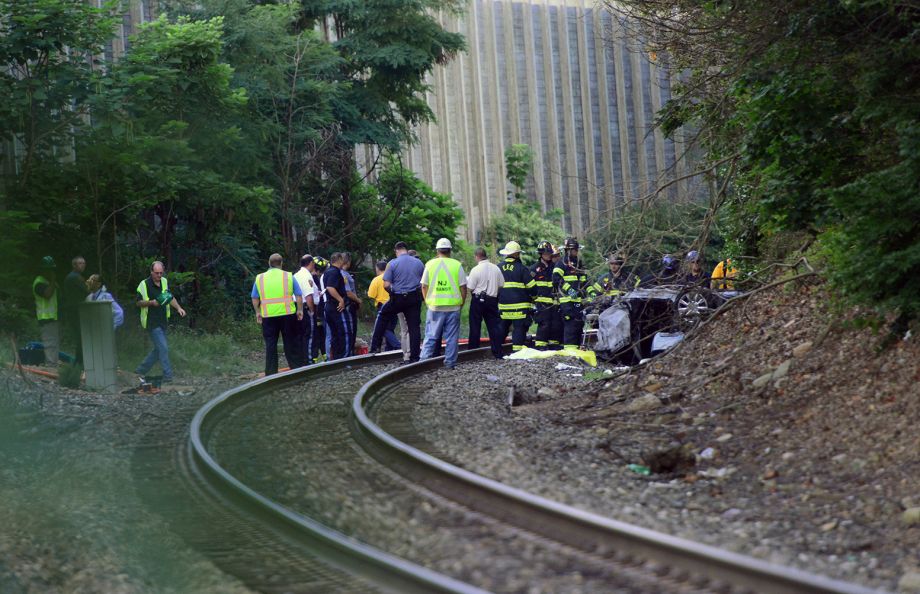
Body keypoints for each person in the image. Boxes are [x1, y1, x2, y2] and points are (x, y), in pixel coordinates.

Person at [369, 241, 425, 362]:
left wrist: (392, 293)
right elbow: (423, 283)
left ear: (396, 251)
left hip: (398, 297)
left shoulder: (392, 264)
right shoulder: (418, 263)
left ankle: (375, 347)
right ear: (406, 249)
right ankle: (415, 357)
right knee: (414, 327)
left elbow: (386, 284)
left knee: (383, 315)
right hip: (414, 298)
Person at [252, 253, 304, 375]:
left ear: (269, 263)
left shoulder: (260, 278)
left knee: (270, 345)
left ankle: (270, 373)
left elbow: (254, 297)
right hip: (288, 314)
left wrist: (257, 312)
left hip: (268, 316)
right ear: (281, 264)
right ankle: (297, 370)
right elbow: (298, 295)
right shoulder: (289, 276)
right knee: (290, 343)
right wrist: (300, 310)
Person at [136, 261, 187, 382]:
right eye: (157, 273)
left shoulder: (164, 281)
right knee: (163, 348)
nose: (159, 275)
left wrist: (179, 308)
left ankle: (140, 370)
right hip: (151, 322)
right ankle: (168, 375)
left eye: (161, 273)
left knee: (158, 349)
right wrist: (151, 303)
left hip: (163, 321)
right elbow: (138, 302)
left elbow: (169, 297)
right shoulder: (144, 284)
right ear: (151, 272)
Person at [420, 238, 467, 369]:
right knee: (452, 338)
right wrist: (461, 303)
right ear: (450, 250)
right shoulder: (457, 265)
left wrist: (427, 301)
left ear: (437, 250)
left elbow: (424, 286)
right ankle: (450, 364)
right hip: (453, 307)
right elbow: (463, 287)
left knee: (430, 336)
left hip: (434, 307)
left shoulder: (430, 264)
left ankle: (423, 363)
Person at [553, 237, 595, 350]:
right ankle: (570, 351)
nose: (576, 251)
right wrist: (569, 290)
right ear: (568, 250)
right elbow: (556, 279)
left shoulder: (579, 264)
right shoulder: (561, 263)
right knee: (570, 325)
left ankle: (576, 350)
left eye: (577, 249)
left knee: (578, 325)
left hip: (578, 301)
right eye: (574, 249)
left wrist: (591, 292)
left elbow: (585, 281)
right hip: (567, 301)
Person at [466, 247, 504, 359]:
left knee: (475, 326)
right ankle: (497, 352)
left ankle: (473, 352)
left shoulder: (475, 270)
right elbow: (501, 284)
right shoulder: (496, 268)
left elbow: (471, 287)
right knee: (494, 326)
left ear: (476, 256)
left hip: (478, 299)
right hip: (492, 300)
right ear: (485, 255)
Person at [498, 241, 536, 352]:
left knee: (502, 329)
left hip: (503, 306)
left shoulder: (498, 267)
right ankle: (517, 352)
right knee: (519, 329)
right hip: (520, 308)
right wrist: (534, 297)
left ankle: (497, 351)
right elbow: (532, 287)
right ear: (517, 254)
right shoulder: (522, 268)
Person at [322, 253, 352, 360]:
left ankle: (336, 358)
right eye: (342, 259)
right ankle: (345, 357)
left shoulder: (327, 272)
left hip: (329, 306)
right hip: (337, 306)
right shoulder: (335, 272)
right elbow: (330, 287)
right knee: (345, 331)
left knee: (335, 334)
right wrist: (341, 300)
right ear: (339, 259)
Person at [531, 241, 561, 350]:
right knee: (544, 324)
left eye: (549, 253)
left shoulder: (555, 267)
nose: (548, 255)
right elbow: (530, 287)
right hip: (541, 302)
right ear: (541, 254)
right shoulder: (534, 269)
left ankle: (554, 344)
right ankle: (540, 345)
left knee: (555, 324)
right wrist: (532, 304)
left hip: (555, 301)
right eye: (545, 253)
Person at [368, 260, 402, 351]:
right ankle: (389, 348)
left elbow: (371, 295)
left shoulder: (376, 279)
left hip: (382, 306)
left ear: (378, 269)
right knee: (390, 327)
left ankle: (397, 345)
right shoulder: (393, 277)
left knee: (383, 329)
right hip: (395, 304)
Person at [33, 256, 60, 366]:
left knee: (54, 344)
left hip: (53, 317)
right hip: (45, 318)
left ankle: (53, 364)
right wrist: (53, 280)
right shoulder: (39, 283)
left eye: (52, 269)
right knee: (50, 344)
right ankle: (50, 365)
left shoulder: (48, 282)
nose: (51, 271)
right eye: (49, 269)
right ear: (43, 270)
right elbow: (47, 295)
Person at [294, 254, 318, 364]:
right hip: (305, 308)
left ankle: (301, 360)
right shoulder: (307, 276)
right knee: (309, 335)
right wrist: (312, 310)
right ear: (311, 263)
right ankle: (309, 360)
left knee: (300, 335)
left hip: (296, 308)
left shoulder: (296, 275)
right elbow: (308, 296)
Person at [341, 253, 362, 357]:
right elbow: (348, 292)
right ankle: (348, 352)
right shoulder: (343, 274)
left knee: (353, 328)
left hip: (351, 304)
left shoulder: (345, 273)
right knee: (350, 328)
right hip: (349, 304)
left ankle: (351, 350)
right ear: (347, 261)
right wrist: (358, 300)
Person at [312, 257, 328, 361]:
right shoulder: (314, 279)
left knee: (319, 334)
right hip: (317, 310)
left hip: (317, 310)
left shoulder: (313, 278)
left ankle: (319, 355)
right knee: (318, 335)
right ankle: (317, 356)